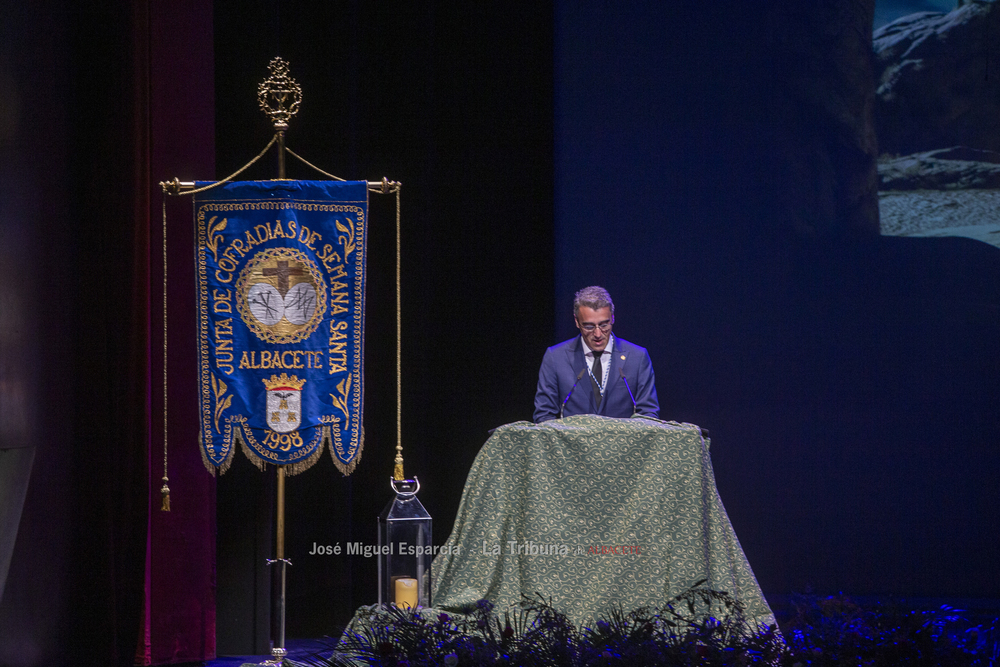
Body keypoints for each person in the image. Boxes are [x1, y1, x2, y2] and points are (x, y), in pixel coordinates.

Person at [533, 286, 659, 422]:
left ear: (613, 318)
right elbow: (543, 416)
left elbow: (648, 416)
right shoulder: (555, 357)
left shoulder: (637, 357)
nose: (598, 334)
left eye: (604, 325)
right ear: (576, 321)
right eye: (589, 326)